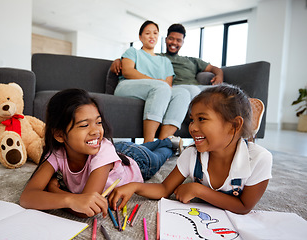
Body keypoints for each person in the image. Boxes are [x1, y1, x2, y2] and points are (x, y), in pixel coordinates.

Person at [109, 84, 273, 215]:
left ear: (235, 124)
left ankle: (249, 130)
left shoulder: (259, 159)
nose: (192, 128)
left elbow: (244, 206)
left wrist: (198, 190)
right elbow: (164, 189)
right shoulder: (192, 153)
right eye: (192, 120)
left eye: (202, 119)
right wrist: (134, 186)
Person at [19, 88, 175, 218]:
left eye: (98, 122)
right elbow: (27, 197)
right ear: (59, 135)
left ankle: (169, 142)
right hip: (116, 151)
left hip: (139, 162)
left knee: (161, 155)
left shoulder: (103, 151)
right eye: (84, 125)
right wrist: (69, 199)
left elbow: (85, 211)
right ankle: (162, 143)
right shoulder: (57, 153)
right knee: (146, 147)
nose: (96, 131)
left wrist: (55, 191)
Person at [113, 20, 190, 143]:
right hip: (127, 87)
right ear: (140, 37)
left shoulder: (165, 61)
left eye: (155, 33)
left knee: (183, 93)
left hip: (157, 91)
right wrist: (156, 81)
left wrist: (159, 84)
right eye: (148, 33)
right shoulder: (133, 52)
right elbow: (127, 71)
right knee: (161, 86)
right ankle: (148, 143)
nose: (152, 36)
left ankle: (161, 143)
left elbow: (168, 85)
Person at [111, 23, 224, 100]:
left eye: (178, 40)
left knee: (225, 91)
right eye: (171, 38)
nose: (174, 42)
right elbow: (140, 58)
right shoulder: (158, 58)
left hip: (197, 88)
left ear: (183, 42)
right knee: (194, 91)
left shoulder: (191, 61)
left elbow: (214, 68)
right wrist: (118, 60)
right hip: (176, 89)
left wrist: (219, 75)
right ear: (165, 39)